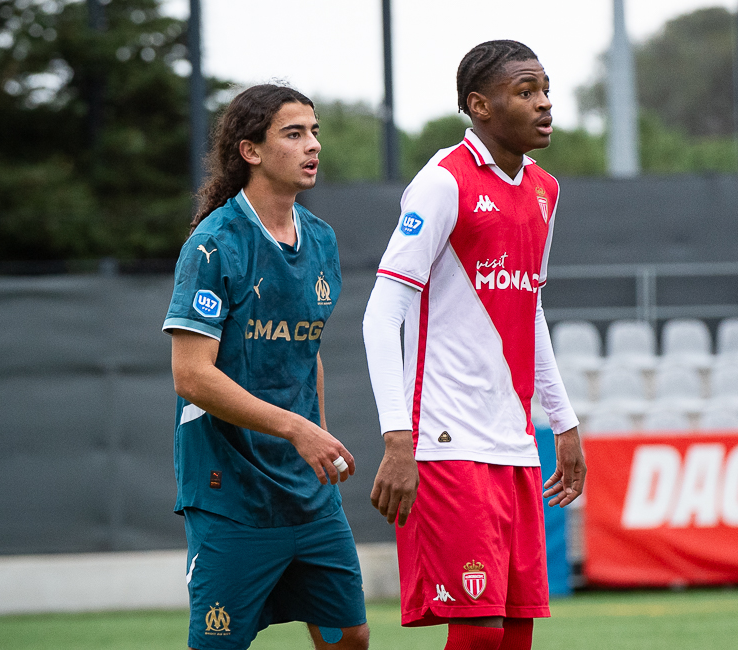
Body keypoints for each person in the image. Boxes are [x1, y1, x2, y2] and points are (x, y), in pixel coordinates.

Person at [362, 41, 585, 650]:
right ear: (479, 106)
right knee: (480, 632)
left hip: (513, 441)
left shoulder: (544, 190)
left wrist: (562, 422)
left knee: (515, 632)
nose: (543, 104)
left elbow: (528, 307)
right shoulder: (442, 183)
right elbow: (382, 314)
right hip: (444, 439)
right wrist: (397, 438)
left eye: (544, 89)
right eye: (525, 92)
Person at [163, 85, 368, 650]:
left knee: (348, 636)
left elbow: (308, 352)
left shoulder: (321, 239)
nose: (313, 146)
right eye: (294, 133)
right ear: (250, 151)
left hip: (307, 494)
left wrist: (316, 437)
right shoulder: (213, 244)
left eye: (316, 131)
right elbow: (192, 375)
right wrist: (295, 428)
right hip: (231, 492)